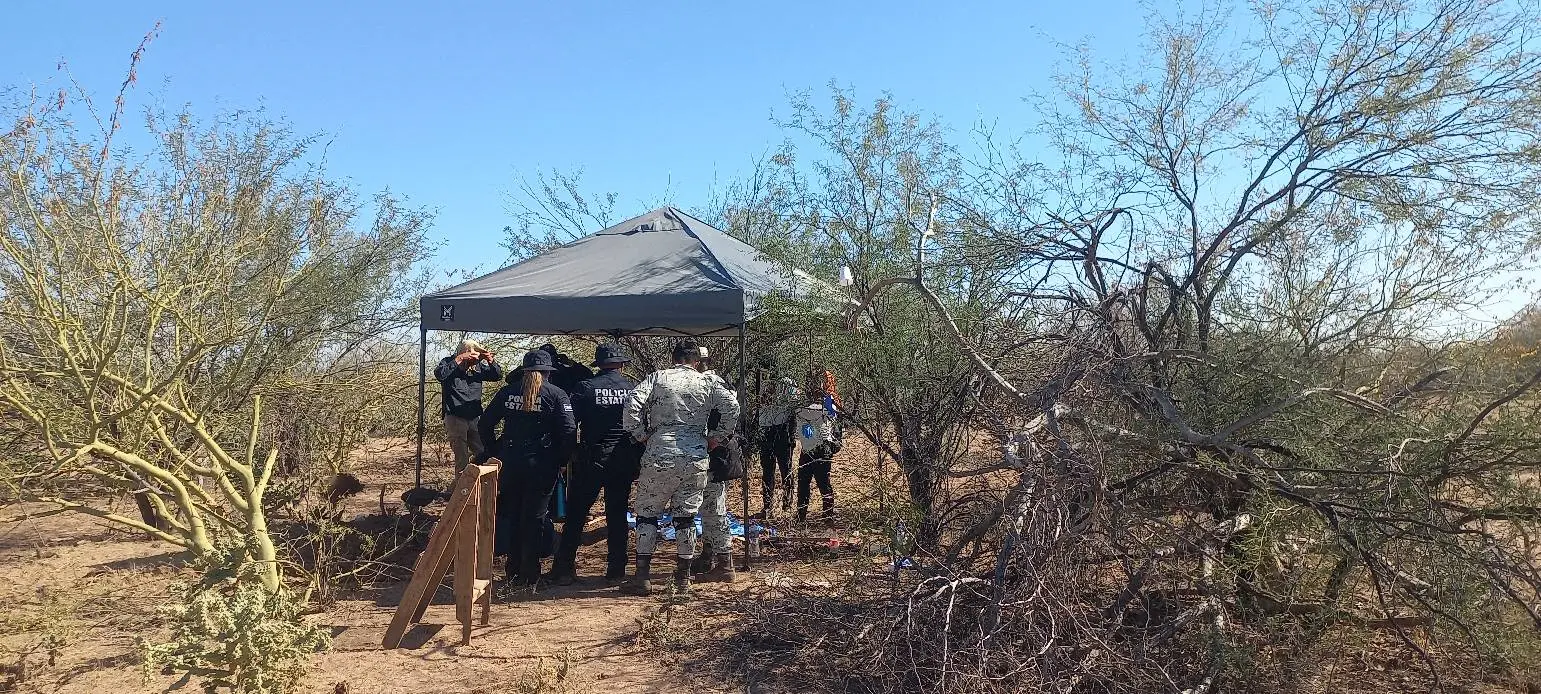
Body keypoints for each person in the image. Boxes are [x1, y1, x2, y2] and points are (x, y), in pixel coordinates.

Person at [619, 339, 739, 596]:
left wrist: (640, 434)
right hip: (695, 454)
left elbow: (632, 404)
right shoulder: (708, 381)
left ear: (673, 358)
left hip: (659, 452)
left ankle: (642, 577)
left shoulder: (657, 377)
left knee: (648, 513)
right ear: (696, 361)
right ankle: (683, 578)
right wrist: (717, 438)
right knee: (686, 517)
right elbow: (732, 407)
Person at [479, 350, 576, 586]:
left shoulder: (508, 391)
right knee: (535, 517)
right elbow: (569, 431)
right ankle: (530, 573)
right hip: (541, 463)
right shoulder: (556, 394)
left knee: (513, 515)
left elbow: (485, 424)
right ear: (547, 372)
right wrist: (561, 461)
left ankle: (513, 572)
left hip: (510, 462)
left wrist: (496, 452)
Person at [550, 343, 643, 586]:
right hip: (622, 458)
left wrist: (567, 453)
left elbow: (569, 424)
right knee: (617, 513)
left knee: (577, 513)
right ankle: (616, 570)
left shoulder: (585, 388)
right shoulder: (633, 389)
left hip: (592, 458)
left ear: (599, 365)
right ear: (622, 365)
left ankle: (564, 568)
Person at [693, 346, 741, 583]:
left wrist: (716, 438)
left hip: (715, 456)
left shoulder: (712, 383)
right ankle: (708, 555)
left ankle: (725, 564)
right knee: (707, 508)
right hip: (710, 455)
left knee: (714, 509)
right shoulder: (712, 382)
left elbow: (732, 411)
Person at [434, 339, 503, 471]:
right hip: (455, 416)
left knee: (484, 453)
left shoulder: (478, 367)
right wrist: (459, 359)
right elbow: (440, 374)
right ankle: (461, 490)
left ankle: (477, 485)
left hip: (474, 417)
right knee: (461, 458)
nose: (474, 356)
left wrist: (490, 360)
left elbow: (497, 376)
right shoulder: (449, 362)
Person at [793, 373, 842, 523]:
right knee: (805, 483)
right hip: (809, 448)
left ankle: (827, 515)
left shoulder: (828, 402)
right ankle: (802, 515)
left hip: (820, 448)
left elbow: (833, 417)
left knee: (822, 483)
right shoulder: (806, 405)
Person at [755, 371, 800, 518]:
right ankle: (767, 506)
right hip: (766, 430)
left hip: (782, 430)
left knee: (785, 469)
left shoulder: (788, 383)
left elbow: (794, 410)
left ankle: (787, 504)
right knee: (767, 471)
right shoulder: (763, 383)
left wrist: (791, 434)